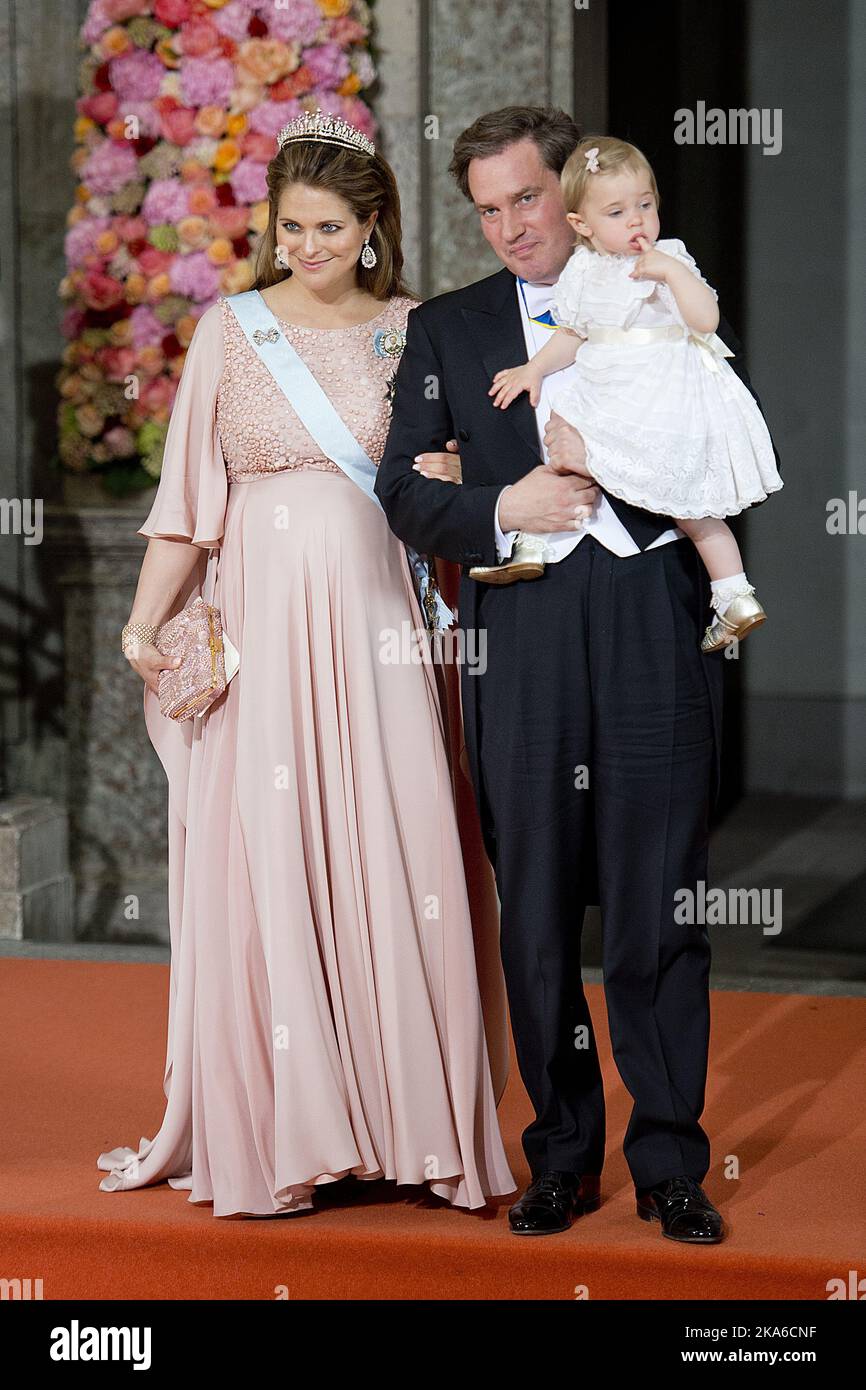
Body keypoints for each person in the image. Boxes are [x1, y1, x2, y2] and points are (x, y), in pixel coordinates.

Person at [99, 111, 515, 1220]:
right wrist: (143, 631)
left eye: (331, 227)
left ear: (374, 228)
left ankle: (412, 1132)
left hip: (384, 618)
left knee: (403, 852)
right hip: (264, 630)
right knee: (271, 859)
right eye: (291, 228)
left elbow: (461, 475)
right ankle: (293, 1135)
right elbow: (186, 507)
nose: (308, 247)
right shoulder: (229, 332)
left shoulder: (416, 329)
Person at [376, 105, 780, 1241]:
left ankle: (668, 1159)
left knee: (658, 899)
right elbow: (402, 492)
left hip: (653, 609)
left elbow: (716, 432)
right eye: (486, 208)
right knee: (539, 911)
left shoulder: (652, 287)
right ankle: (558, 1151)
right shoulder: (448, 330)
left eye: (526, 199)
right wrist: (497, 505)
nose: (509, 225)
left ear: (578, 190)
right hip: (527, 627)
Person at [485, 134, 782, 653]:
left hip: (662, 392)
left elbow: (705, 320)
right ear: (582, 225)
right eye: (619, 212)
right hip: (610, 385)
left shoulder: (671, 256)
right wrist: (533, 369)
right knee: (561, 432)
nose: (638, 221)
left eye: (646, 205)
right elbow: (573, 333)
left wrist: (672, 275)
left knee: (690, 502)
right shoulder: (583, 269)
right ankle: (531, 539)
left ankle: (733, 591)